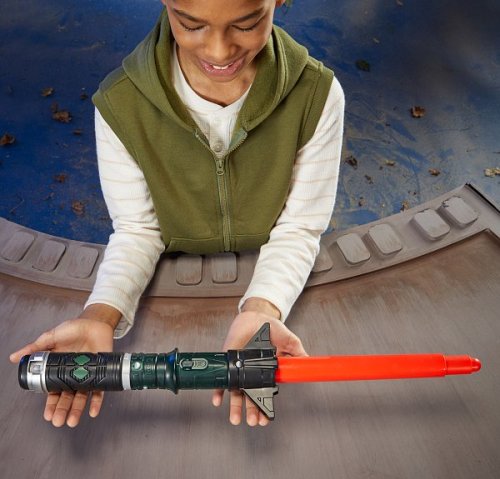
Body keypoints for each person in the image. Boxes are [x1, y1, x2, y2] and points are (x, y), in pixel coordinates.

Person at [9, 0, 344, 427]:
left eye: (247, 24)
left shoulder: (317, 95)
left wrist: (262, 310)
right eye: (191, 24)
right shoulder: (121, 104)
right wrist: (100, 314)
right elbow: (138, 230)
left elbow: (298, 227)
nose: (219, 51)